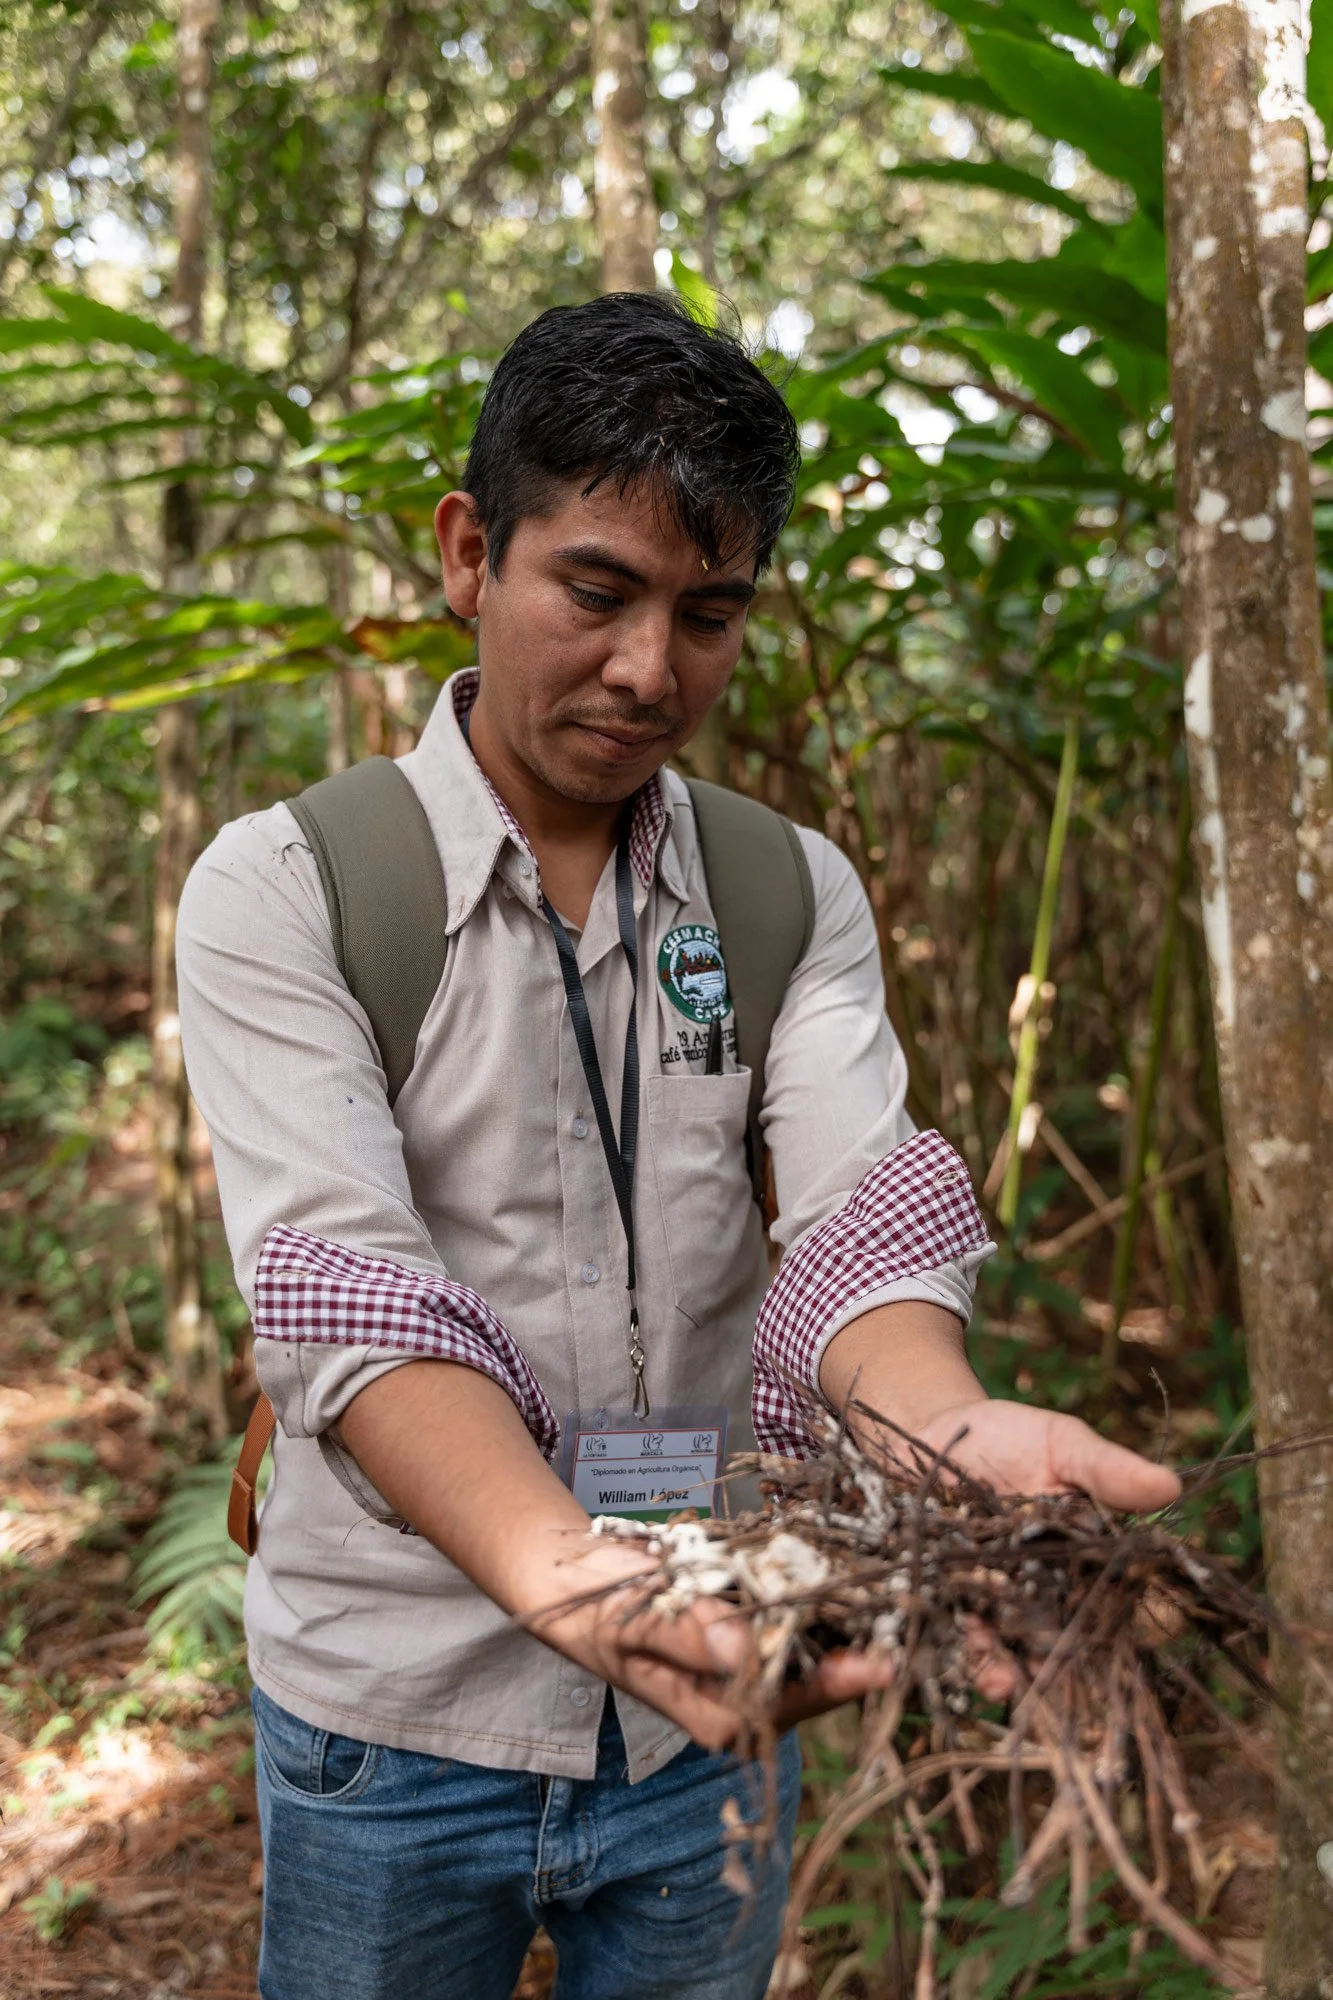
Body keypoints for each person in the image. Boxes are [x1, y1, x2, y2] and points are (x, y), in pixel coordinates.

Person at [177, 293, 1179, 2000]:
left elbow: (859, 1229)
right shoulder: (290, 889)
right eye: (597, 592)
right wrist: (569, 1576)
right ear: (469, 553)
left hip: (709, 1702)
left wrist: (946, 1438)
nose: (652, 671)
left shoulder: (788, 893)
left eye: (708, 615)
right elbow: (348, 1291)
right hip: (396, 1720)